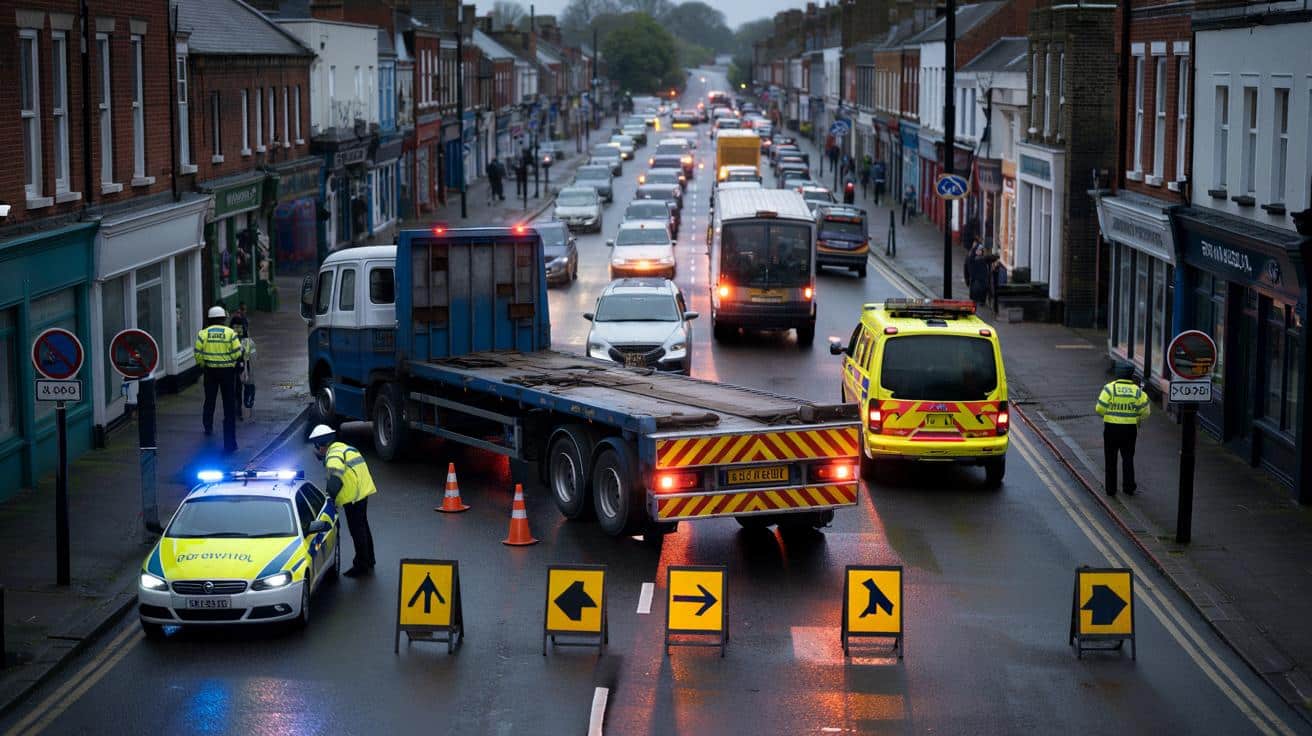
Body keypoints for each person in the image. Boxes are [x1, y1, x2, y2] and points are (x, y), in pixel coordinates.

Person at [310, 424, 377, 577]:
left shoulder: (333, 454)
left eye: (316, 446)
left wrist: (329, 498)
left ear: (322, 444)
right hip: (362, 493)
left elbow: (335, 477)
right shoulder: (343, 447)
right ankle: (369, 559)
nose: (317, 451)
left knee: (357, 530)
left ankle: (361, 565)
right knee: (363, 527)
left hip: (352, 496)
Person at [1096, 362, 1151, 496]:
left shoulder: (1109, 389)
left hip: (1111, 429)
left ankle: (1110, 489)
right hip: (1129, 429)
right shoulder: (1138, 392)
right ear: (1131, 375)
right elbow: (1146, 413)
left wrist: (1110, 414)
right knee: (1128, 458)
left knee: (1110, 459)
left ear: (1117, 373)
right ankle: (1128, 487)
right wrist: (1135, 416)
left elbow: (1099, 408)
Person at [195, 306, 244, 453]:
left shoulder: (203, 334)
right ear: (223, 318)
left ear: (210, 319)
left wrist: (204, 365)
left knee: (209, 400)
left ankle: (208, 426)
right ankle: (229, 443)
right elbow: (237, 353)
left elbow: (198, 354)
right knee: (228, 406)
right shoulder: (230, 333)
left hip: (210, 372)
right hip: (227, 373)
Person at [236, 325, 256, 420]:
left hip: (239, 369)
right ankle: (245, 407)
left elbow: (252, 359)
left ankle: (240, 411)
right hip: (243, 369)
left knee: (238, 391)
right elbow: (253, 360)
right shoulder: (249, 342)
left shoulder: (247, 343)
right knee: (246, 389)